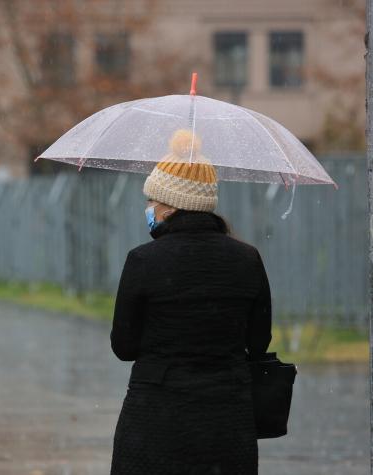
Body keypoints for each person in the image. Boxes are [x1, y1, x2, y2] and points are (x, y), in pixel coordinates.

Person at [109, 130, 272, 475]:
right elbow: (258, 343)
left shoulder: (143, 260)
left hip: (155, 420)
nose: (148, 209)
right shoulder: (247, 258)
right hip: (228, 422)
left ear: (170, 205)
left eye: (151, 201)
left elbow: (123, 346)